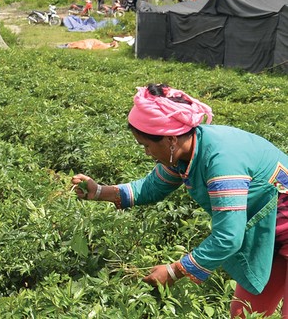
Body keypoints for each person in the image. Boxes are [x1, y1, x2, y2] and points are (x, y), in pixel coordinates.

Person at [72, 83, 288, 318]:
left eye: (147, 146)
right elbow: (151, 187)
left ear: (170, 140)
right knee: (244, 313)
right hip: (269, 234)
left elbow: (228, 237)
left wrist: (175, 271)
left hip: (279, 227)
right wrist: (99, 192)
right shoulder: (186, 154)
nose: (146, 153)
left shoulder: (222, 162)